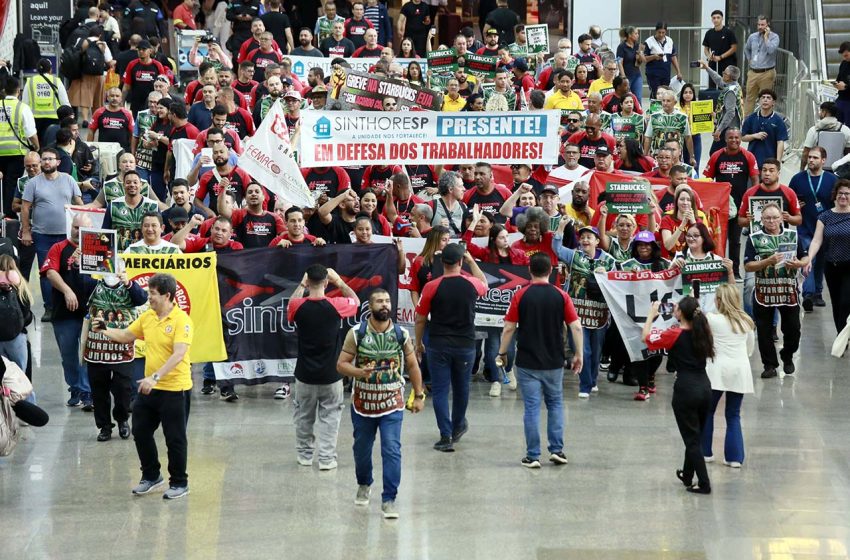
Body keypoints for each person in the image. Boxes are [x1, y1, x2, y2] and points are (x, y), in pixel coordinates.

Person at [93, 273, 193, 500]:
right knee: (140, 430)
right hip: (151, 387)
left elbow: (179, 354)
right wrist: (105, 330)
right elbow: (127, 335)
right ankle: (151, 476)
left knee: (174, 438)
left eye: (153, 294)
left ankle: (180, 482)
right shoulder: (148, 317)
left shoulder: (181, 320)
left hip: (175, 389)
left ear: (167, 295)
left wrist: (155, 377)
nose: (149, 298)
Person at [337, 288, 424, 519]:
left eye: (387, 301)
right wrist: (358, 371)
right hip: (363, 404)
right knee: (361, 451)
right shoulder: (356, 333)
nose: (384, 305)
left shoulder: (401, 334)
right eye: (379, 301)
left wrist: (419, 394)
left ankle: (389, 499)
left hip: (392, 404)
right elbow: (341, 364)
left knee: (392, 450)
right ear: (370, 306)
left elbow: (413, 366)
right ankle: (364, 484)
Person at [499, 253, 583, 468]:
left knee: (532, 408)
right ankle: (557, 450)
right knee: (555, 404)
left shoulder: (521, 295)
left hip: (527, 361)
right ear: (550, 271)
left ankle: (533, 455)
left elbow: (509, 327)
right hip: (554, 361)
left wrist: (502, 352)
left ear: (530, 270)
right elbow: (576, 326)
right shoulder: (561, 296)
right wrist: (579, 354)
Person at [414, 243, 487, 452]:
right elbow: (485, 283)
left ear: (441, 262)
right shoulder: (472, 283)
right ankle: (458, 426)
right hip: (465, 344)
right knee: (462, 388)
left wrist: (419, 344)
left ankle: (445, 435)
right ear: (461, 262)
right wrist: (472, 261)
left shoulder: (431, 286)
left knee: (440, 390)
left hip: (438, 344)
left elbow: (420, 320)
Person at [288, 264, 359, 470]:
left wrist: (302, 284)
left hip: (304, 374)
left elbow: (292, 303)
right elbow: (356, 301)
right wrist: (340, 282)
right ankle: (327, 459)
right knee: (331, 419)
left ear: (308, 282)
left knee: (303, 417)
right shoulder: (336, 304)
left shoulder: (297, 306)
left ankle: (305, 455)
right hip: (332, 375)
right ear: (326, 283)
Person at [643, 297, 714, 494]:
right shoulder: (704, 332)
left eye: (676, 308)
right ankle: (688, 474)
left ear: (681, 313)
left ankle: (704, 483)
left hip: (686, 389)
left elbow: (646, 338)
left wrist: (651, 315)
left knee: (691, 440)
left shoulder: (674, 334)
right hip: (705, 387)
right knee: (695, 435)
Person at [551, 221, 617, 398]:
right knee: (582, 349)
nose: (585, 240)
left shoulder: (610, 261)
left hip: (600, 313)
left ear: (597, 241)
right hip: (577, 312)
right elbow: (557, 248)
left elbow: (618, 284)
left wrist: (609, 275)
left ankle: (592, 379)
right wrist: (560, 228)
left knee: (596, 351)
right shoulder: (574, 256)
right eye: (583, 237)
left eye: (589, 237)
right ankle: (585, 385)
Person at [84, 268, 148, 442]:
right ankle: (104, 426)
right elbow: (78, 282)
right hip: (97, 348)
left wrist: (127, 282)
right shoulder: (93, 286)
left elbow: (142, 298)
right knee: (99, 391)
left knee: (123, 389)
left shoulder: (130, 288)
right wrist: (75, 263)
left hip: (122, 348)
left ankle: (122, 420)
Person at [41, 213, 95, 408]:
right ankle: (75, 387)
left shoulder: (98, 248)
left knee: (89, 353)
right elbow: (50, 272)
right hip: (65, 312)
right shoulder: (58, 247)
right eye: (75, 228)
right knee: (69, 354)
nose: (78, 232)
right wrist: (67, 290)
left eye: (83, 229)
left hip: (91, 311)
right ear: (70, 227)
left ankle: (87, 391)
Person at [21, 147, 82, 319]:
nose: (46, 162)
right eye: (44, 159)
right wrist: (26, 231)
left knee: (68, 270)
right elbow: (25, 208)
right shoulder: (32, 183)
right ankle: (49, 307)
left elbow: (79, 204)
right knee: (46, 272)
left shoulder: (69, 180)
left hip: (67, 237)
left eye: (50, 159)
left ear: (58, 162)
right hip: (43, 236)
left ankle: (69, 302)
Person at [701, 283, 755, 467]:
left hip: (716, 370)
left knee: (708, 412)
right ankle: (735, 458)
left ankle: (705, 452)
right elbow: (750, 348)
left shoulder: (711, 319)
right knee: (733, 415)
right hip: (740, 371)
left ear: (718, 301)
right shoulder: (747, 321)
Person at [804, 179, 850, 334]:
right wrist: (809, 258)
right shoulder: (825, 216)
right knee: (836, 303)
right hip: (831, 266)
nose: (843, 196)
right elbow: (817, 240)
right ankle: (841, 335)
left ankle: (844, 334)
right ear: (835, 195)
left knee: (846, 302)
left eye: (847, 194)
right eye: (840, 193)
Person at [0, 78, 40, 218]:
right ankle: (8, 215)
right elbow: (31, 133)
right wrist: (37, 147)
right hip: (16, 152)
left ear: (4, 91)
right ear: (19, 91)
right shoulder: (22, 107)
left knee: (2, 183)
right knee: (11, 183)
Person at [697, 60, 743, 155]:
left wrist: (719, 129)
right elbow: (719, 80)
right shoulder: (734, 85)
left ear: (729, 77)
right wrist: (707, 68)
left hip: (728, 128)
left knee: (715, 154)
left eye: (724, 73)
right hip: (729, 127)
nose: (722, 74)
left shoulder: (731, 92)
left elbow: (730, 113)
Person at [22, 59, 69, 143]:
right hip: (54, 119)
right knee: (51, 146)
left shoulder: (30, 81)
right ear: (50, 69)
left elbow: (25, 103)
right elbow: (64, 102)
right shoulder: (56, 81)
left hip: (35, 119)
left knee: (37, 146)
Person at [743, 15, 780, 115]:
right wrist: (749, 59)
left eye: (762, 25)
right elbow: (746, 49)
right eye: (758, 24)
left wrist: (766, 37)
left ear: (768, 25)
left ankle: (765, 120)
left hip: (766, 72)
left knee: (766, 99)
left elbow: (771, 50)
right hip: (753, 72)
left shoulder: (774, 37)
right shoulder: (752, 36)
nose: (760, 27)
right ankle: (746, 122)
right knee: (749, 98)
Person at [741, 89, 788, 168]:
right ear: (759, 101)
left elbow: (780, 142)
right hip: (752, 162)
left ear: (773, 102)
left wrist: (778, 162)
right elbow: (742, 137)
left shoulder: (778, 121)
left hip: (770, 163)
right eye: (763, 97)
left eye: (768, 98)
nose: (765, 100)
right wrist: (754, 136)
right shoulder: (751, 118)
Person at [801, 101, 850, 166]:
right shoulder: (845, 130)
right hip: (837, 171)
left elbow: (805, 153)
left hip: (817, 170)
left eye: (821, 111)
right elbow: (848, 154)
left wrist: (801, 170)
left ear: (824, 112)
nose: (819, 113)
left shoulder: (813, 130)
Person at [643, 22, 681, 100]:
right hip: (653, 73)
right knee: (656, 93)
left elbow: (673, 57)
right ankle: (654, 110)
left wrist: (678, 71)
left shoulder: (670, 40)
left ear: (666, 32)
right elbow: (644, 58)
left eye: (663, 32)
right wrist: (654, 57)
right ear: (655, 31)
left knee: (666, 93)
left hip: (665, 72)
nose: (661, 34)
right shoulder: (649, 41)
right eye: (659, 32)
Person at [702, 10, 738, 77]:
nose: (716, 20)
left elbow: (734, 48)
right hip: (713, 65)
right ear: (712, 20)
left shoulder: (729, 32)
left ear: (722, 19)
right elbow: (706, 49)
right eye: (714, 18)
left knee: (727, 85)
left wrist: (721, 57)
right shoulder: (709, 33)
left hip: (727, 65)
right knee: (713, 85)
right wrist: (709, 56)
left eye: (718, 17)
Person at [617, 26, 644, 102]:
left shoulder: (637, 46)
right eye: (635, 33)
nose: (637, 35)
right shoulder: (621, 47)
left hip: (636, 75)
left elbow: (638, 64)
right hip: (626, 75)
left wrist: (640, 55)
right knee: (625, 97)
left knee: (638, 98)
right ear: (629, 35)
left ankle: (639, 113)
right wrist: (624, 77)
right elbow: (619, 63)